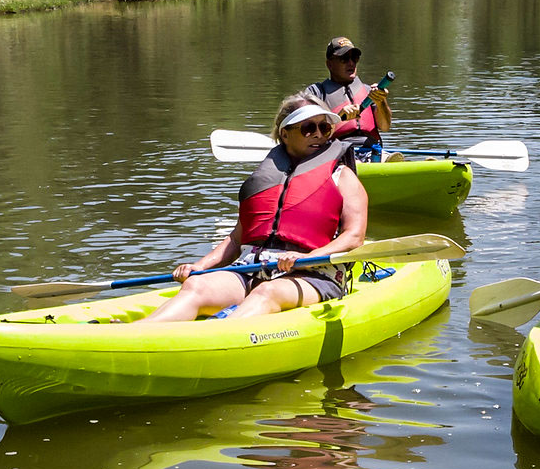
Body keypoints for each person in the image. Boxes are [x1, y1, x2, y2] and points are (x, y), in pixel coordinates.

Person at [142, 93, 367, 322]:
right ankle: (137, 332)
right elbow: (236, 239)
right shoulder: (265, 181)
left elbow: (354, 236)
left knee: (266, 293)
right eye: (308, 128)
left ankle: (213, 339)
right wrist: (198, 266)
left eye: (325, 127)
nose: (318, 134)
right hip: (251, 268)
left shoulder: (343, 177)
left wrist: (311, 255)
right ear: (285, 134)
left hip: (313, 272)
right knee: (196, 286)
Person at [308, 36, 393, 158]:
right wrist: (338, 118)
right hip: (338, 153)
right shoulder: (316, 93)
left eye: (354, 58)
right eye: (344, 59)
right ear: (329, 64)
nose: (351, 63)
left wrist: (381, 102)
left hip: (372, 151)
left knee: (388, 158)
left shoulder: (369, 90)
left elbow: (385, 126)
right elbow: (309, 132)